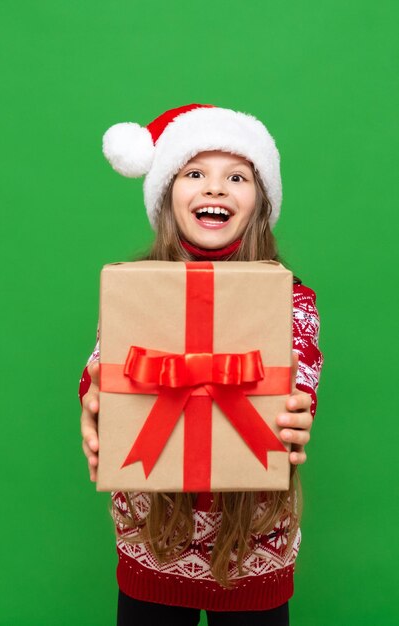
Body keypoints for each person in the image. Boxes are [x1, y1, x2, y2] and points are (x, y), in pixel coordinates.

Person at [79, 103, 324, 626]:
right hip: (153, 540)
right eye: (195, 173)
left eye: (237, 176)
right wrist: (93, 403)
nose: (215, 188)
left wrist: (298, 413)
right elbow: (104, 368)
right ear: (167, 194)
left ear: (260, 201)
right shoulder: (132, 291)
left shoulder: (293, 300)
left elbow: (300, 377)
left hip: (255, 546)